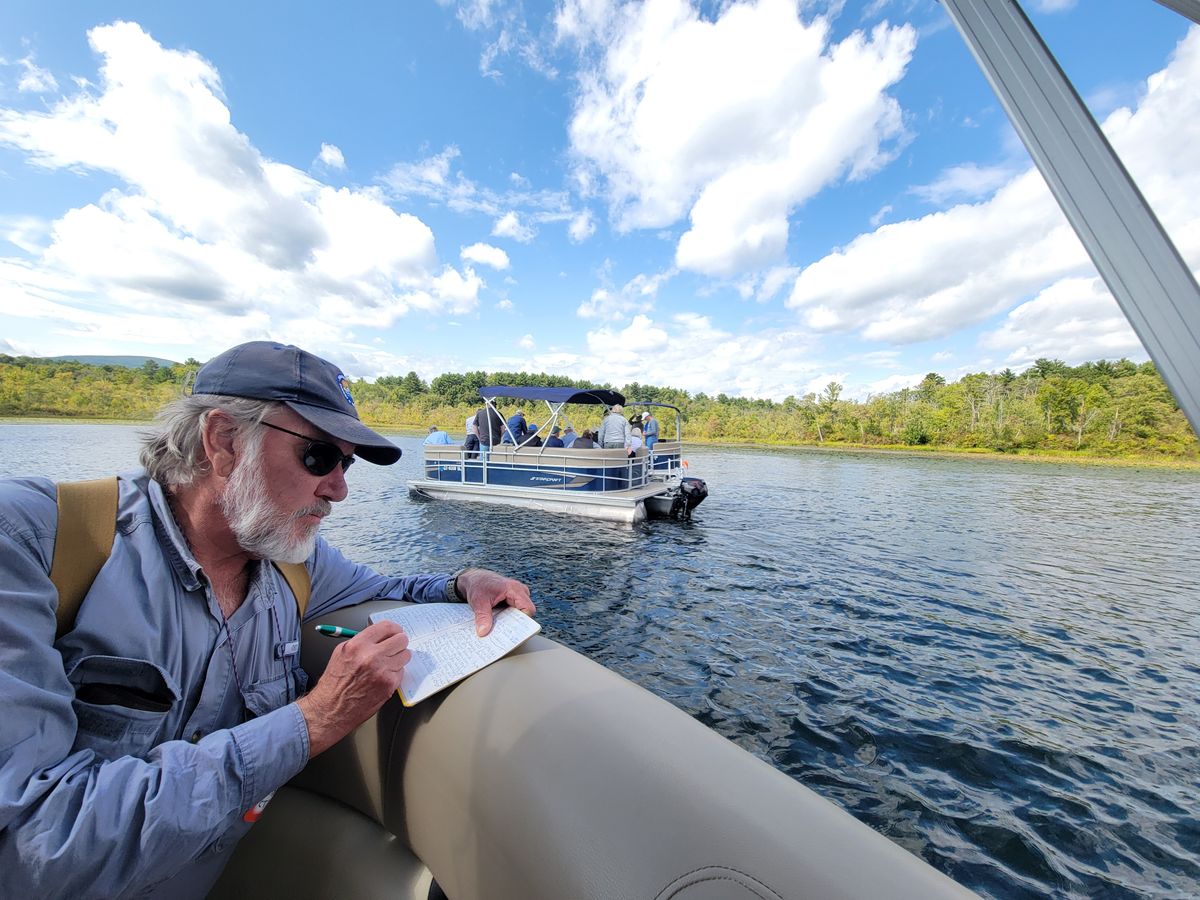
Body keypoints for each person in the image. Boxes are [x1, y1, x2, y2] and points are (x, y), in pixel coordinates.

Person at [0, 341, 535, 898]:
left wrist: (463, 582)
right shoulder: (32, 541)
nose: (340, 489)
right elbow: (31, 842)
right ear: (223, 441)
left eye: (345, 463)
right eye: (320, 457)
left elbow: (390, 587)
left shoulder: (291, 561)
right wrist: (315, 720)